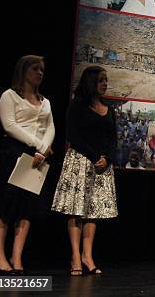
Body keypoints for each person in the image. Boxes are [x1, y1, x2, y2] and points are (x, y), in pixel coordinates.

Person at [0, 56, 55, 275]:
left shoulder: (45, 101)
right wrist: (36, 145)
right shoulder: (10, 95)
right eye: (35, 69)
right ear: (23, 71)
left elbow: (50, 127)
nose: (40, 73)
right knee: (4, 205)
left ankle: (17, 256)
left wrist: (43, 150)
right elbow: (10, 125)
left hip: (38, 157)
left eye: (42, 69)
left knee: (26, 208)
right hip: (13, 152)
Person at [51, 66, 118, 276]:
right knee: (77, 210)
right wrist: (93, 156)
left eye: (106, 80)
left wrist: (107, 158)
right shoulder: (77, 106)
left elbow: (113, 138)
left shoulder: (109, 109)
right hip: (80, 162)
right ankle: (74, 256)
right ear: (91, 82)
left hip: (101, 166)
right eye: (101, 80)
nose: (105, 84)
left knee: (93, 212)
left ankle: (87, 256)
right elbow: (73, 134)